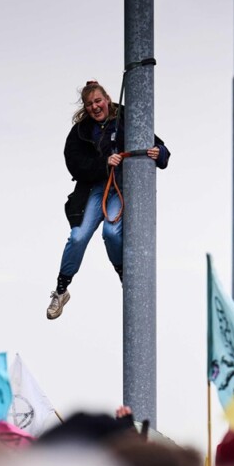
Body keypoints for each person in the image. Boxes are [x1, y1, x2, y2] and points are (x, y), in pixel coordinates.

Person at [47, 80, 170, 320]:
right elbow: (74, 164)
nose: (95, 107)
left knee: (112, 233)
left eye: (98, 101)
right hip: (95, 187)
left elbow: (159, 146)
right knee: (78, 236)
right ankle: (61, 289)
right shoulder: (80, 132)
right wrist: (103, 163)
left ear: (106, 99)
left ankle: (123, 273)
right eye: (89, 103)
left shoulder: (126, 117)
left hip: (122, 186)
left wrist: (159, 153)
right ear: (85, 107)